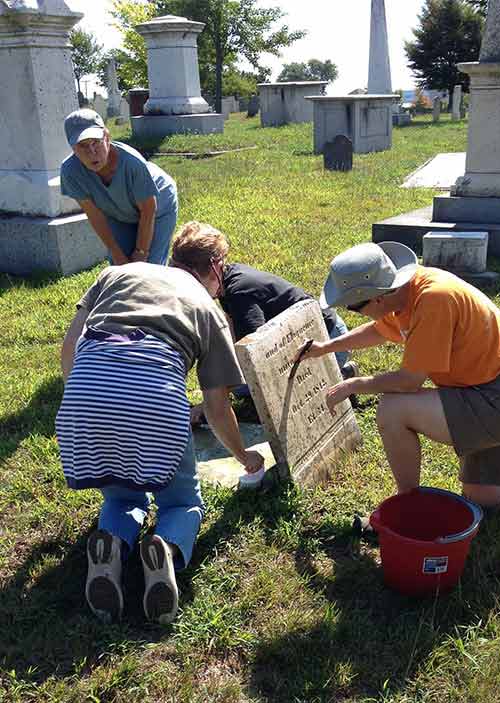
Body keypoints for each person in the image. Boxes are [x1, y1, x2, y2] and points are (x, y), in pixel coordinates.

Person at [298, 241, 500, 521]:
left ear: (378, 298)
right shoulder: (406, 295)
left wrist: (356, 384)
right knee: (485, 498)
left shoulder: (433, 300)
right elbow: (378, 331)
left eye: (354, 307)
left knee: (393, 408)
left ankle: (405, 506)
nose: (357, 314)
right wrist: (328, 347)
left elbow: (410, 381)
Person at [56, 229, 265, 625]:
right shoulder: (209, 310)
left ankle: (113, 545)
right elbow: (218, 409)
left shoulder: (120, 273)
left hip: (87, 387)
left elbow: (69, 347)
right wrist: (244, 455)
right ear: (216, 268)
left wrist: (86, 402)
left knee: (120, 497)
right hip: (154, 394)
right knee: (182, 501)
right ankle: (164, 547)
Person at [184, 221, 356, 423]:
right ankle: (336, 374)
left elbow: (259, 357)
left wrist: (212, 402)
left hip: (329, 340)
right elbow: (234, 338)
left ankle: (341, 377)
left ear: (215, 268)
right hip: (317, 336)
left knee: (283, 397)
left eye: (193, 281)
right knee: (241, 388)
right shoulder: (228, 280)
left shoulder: (240, 293)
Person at [60, 108, 178, 265]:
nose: (92, 152)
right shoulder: (71, 172)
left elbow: (148, 210)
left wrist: (141, 253)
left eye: (96, 142)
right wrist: (117, 254)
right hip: (119, 213)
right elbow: (95, 215)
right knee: (120, 270)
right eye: (83, 145)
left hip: (158, 207)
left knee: (151, 270)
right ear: (73, 148)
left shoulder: (132, 164)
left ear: (107, 137)